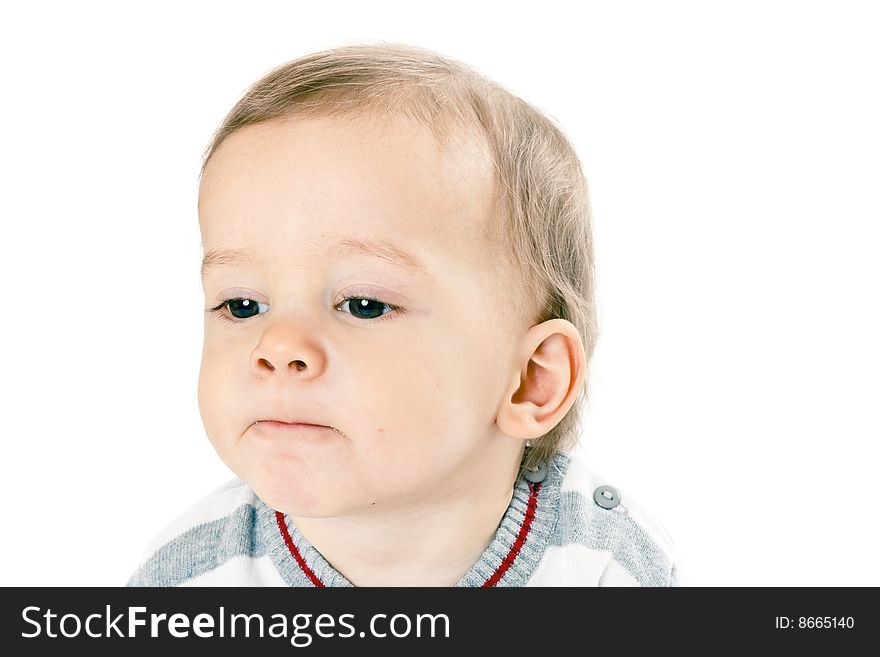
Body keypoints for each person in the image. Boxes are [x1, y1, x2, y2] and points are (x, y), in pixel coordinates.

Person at [127, 42, 678, 587]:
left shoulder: (605, 566)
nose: (275, 347)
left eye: (364, 306)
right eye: (241, 305)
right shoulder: (188, 580)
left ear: (532, 380)